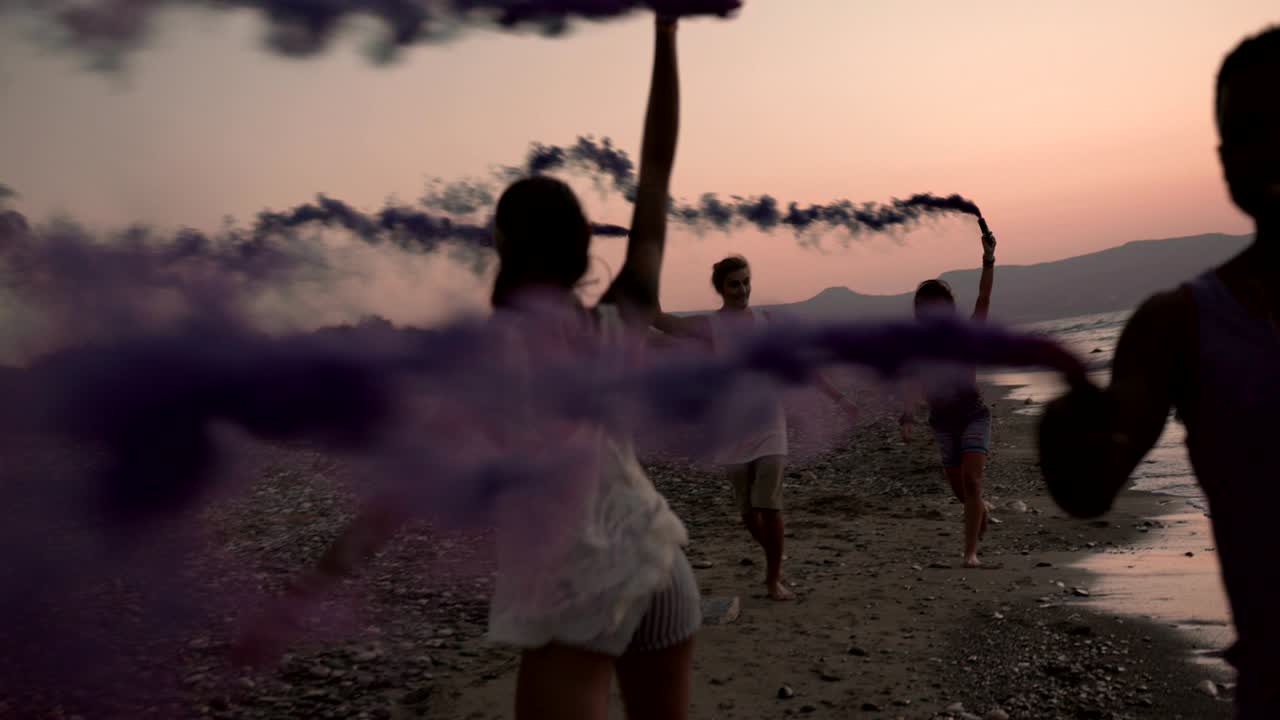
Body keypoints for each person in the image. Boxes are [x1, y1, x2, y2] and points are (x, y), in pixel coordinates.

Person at [236, 12, 722, 720]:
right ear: (582, 245)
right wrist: (666, 34)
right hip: (658, 566)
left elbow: (400, 495)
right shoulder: (616, 323)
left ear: (501, 244)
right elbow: (655, 180)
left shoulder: (487, 362)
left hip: (576, 593)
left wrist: (301, 595)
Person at [1037, 26, 1280, 719]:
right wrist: (1065, 429)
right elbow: (1091, 489)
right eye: (1248, 131)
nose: (1272, 147)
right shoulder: (1177, 324)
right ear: (1224, 159)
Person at [653, 255, 859, 601]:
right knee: (748, 513)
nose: (742, 289)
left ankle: (773, 578)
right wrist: (647, 272)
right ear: (721, 289)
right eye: (734, 284)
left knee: (769, 505)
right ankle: (774, 554)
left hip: (769, 422)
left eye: (746, 282)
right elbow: (660, 322)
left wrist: (839, 399)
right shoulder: (710, 326)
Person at [899, 222, 998, 568]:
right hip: (942, 422)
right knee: (962, 492)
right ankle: (979, 509)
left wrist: (988, 260)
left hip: (973, 415)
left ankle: (970, 553)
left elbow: (983, 298)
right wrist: (907, 417)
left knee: (972, 481)